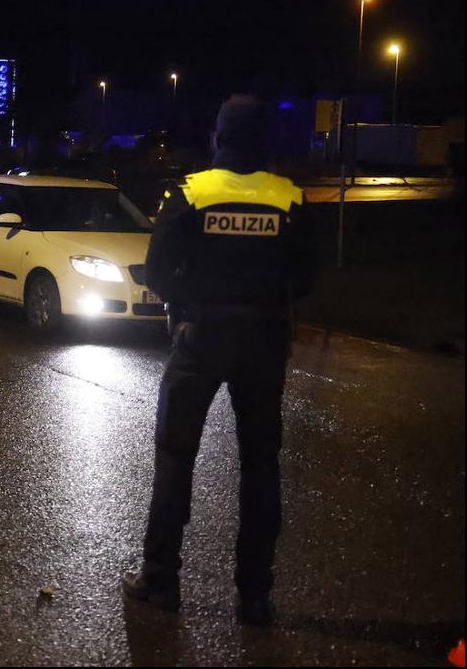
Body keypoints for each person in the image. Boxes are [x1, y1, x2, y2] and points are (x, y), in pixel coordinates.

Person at [122, 95, 318, 626]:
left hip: (201, 336)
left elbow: (157, 272)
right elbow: (307, 276)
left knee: (175, 456)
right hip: (263, 341)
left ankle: (161, 580)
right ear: (264, 143)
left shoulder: (190, 193)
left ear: (218, 138)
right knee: (260, 465)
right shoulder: (289, 198)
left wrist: (197, 296)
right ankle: (254, 596)